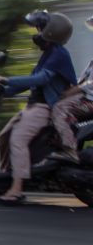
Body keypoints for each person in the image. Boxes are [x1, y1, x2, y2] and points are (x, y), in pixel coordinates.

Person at [0, 10, 76, 204]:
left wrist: (8, 79)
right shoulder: (48, 54)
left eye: (40, 29)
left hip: (45, 108)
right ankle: (6, 179)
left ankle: (17, 189)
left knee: (17, 140)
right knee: (2, 139)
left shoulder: (58, 54)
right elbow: (31, 83)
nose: (37, 33)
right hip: (33, 106)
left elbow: (41, 79)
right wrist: (2, 91)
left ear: (51, 32)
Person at [48, 15, 93, 164]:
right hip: (87, 96)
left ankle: (69, 150)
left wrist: (76, 90)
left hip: (91, 100)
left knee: (60, 109)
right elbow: (84, 78)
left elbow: (90, 83)